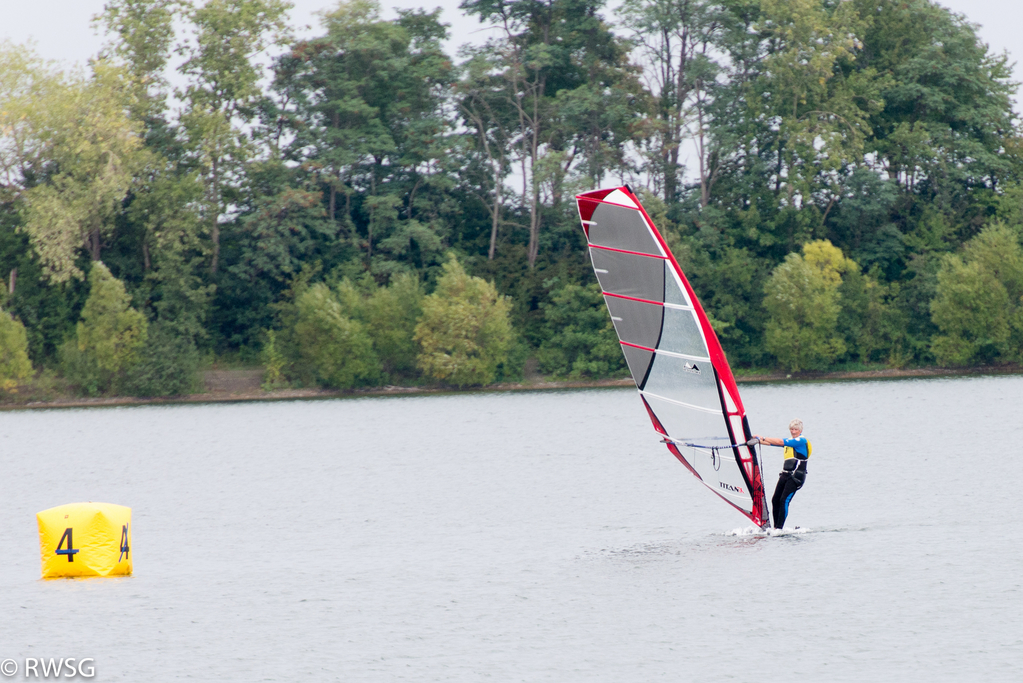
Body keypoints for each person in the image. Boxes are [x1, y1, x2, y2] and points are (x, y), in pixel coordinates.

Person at [753, 419, 811, 529]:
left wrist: (762, 437)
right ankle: (775, 528)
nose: (793, 432)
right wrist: (757, 441)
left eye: (795, 429)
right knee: (775, 500)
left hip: (796, 476)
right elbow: (772, 443)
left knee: (784, 500)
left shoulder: (800, 440)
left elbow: (780, 441)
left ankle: (779, 528)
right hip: (785, 475)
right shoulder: (790, 441)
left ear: (800, 430)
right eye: (791, 429)